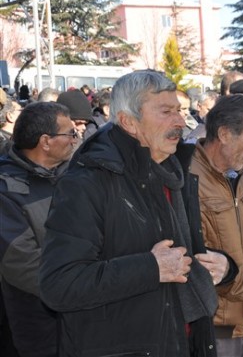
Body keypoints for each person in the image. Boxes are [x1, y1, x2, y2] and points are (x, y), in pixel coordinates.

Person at [39, 70, 231, 357]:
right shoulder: (88, 182)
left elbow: (176, 255)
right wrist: (150, 268)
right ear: (129, 122)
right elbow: (60, 285)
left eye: (178, 110)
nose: (180, 121)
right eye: (166, 111)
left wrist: (226, 266)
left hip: (182, 339)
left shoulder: (171, 171)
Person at [189, 94, 243, 357]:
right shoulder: (189, 179)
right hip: (217, 328)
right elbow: (204, 260)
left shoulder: (235, 173)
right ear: (225, 134)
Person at [1, 102, 79, 357]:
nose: (75, 139)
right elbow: (20, 263)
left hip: (78, 320)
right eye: (69, 133)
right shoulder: (6, 189)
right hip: (36, 325)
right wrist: (83, 285)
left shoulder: (73, 176)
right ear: (46, 141)